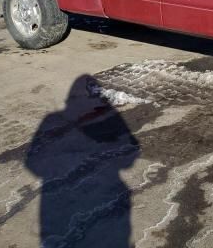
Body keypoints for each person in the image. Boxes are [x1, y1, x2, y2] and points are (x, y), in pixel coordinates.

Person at [25, 75, 139, 247]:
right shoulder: (56, 119)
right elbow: (131, 153)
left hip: (58, 204)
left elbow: (32, 163)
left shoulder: (53, 118)